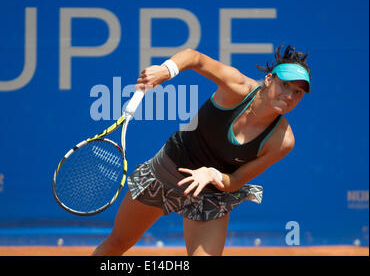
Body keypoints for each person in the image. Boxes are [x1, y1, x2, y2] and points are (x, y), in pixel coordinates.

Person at [92, 45, 311, 256]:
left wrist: (213, 174)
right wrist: (166, 70)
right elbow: (194, 58)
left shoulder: (282, 141)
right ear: (269, 79)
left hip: (210, 194)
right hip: (167, 169)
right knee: (116, 244)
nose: (290, 96)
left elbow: (235, 180)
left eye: (298, 92)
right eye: (285, 85)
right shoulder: (237, 87)